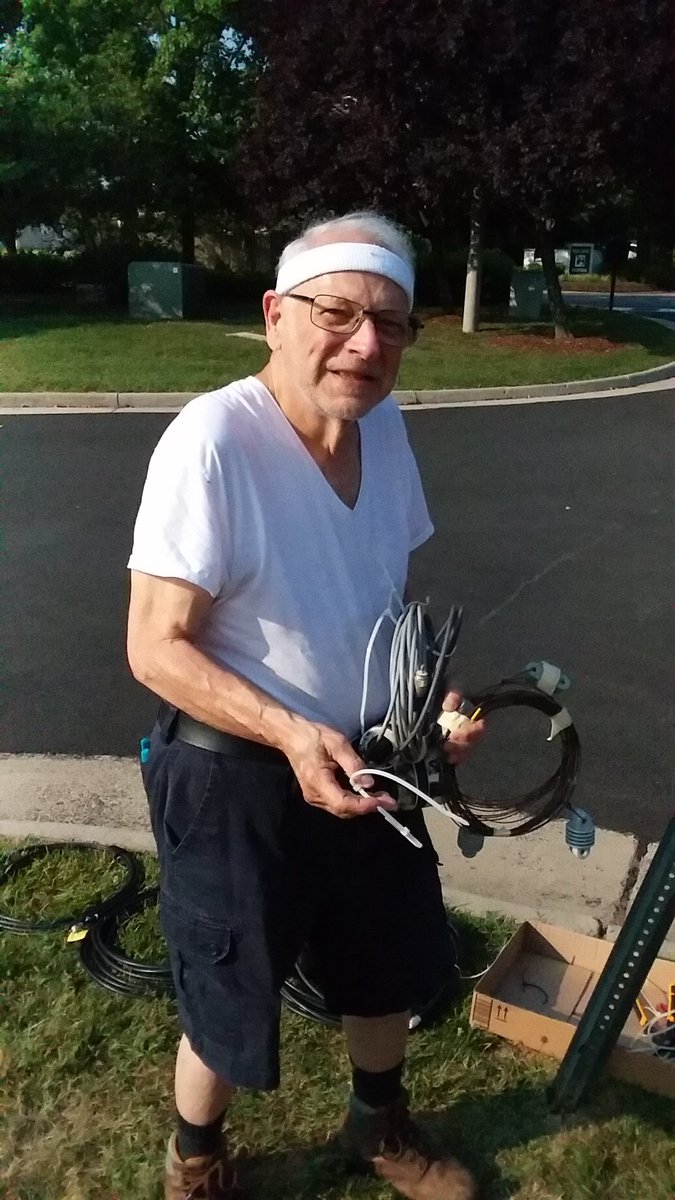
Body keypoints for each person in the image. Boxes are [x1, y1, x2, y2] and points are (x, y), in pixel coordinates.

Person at [126, 211, 486, 1200]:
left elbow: (379, 594)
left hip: (373, 760)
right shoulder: (214, 441)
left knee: (388, 961)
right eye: (338, 313)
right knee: (231, 990)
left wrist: (426, 693)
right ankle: (196, 1158)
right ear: (277, 314)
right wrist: (290, 732)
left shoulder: (387, 427)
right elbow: (153, 646)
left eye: (391, 322)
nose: (366, 344)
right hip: (237, 778)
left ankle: (380, 1125)